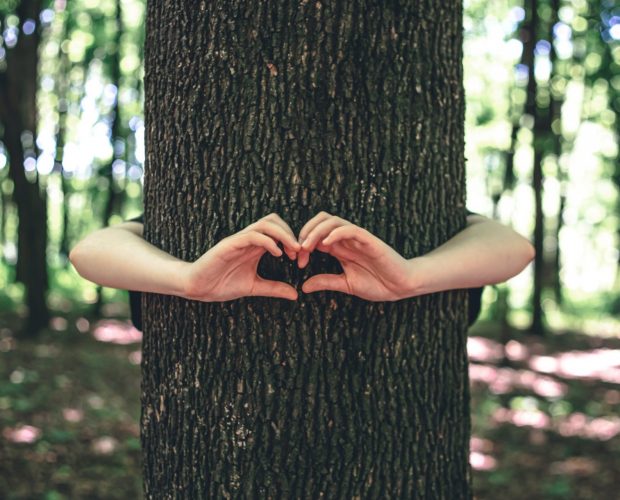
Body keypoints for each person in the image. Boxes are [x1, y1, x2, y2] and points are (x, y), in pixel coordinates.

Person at [69, 209, 535, 331]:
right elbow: (89, 251)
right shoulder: (163, 230)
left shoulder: (448, 224)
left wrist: (410, 277)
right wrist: (189, 279)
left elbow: (514, 248)